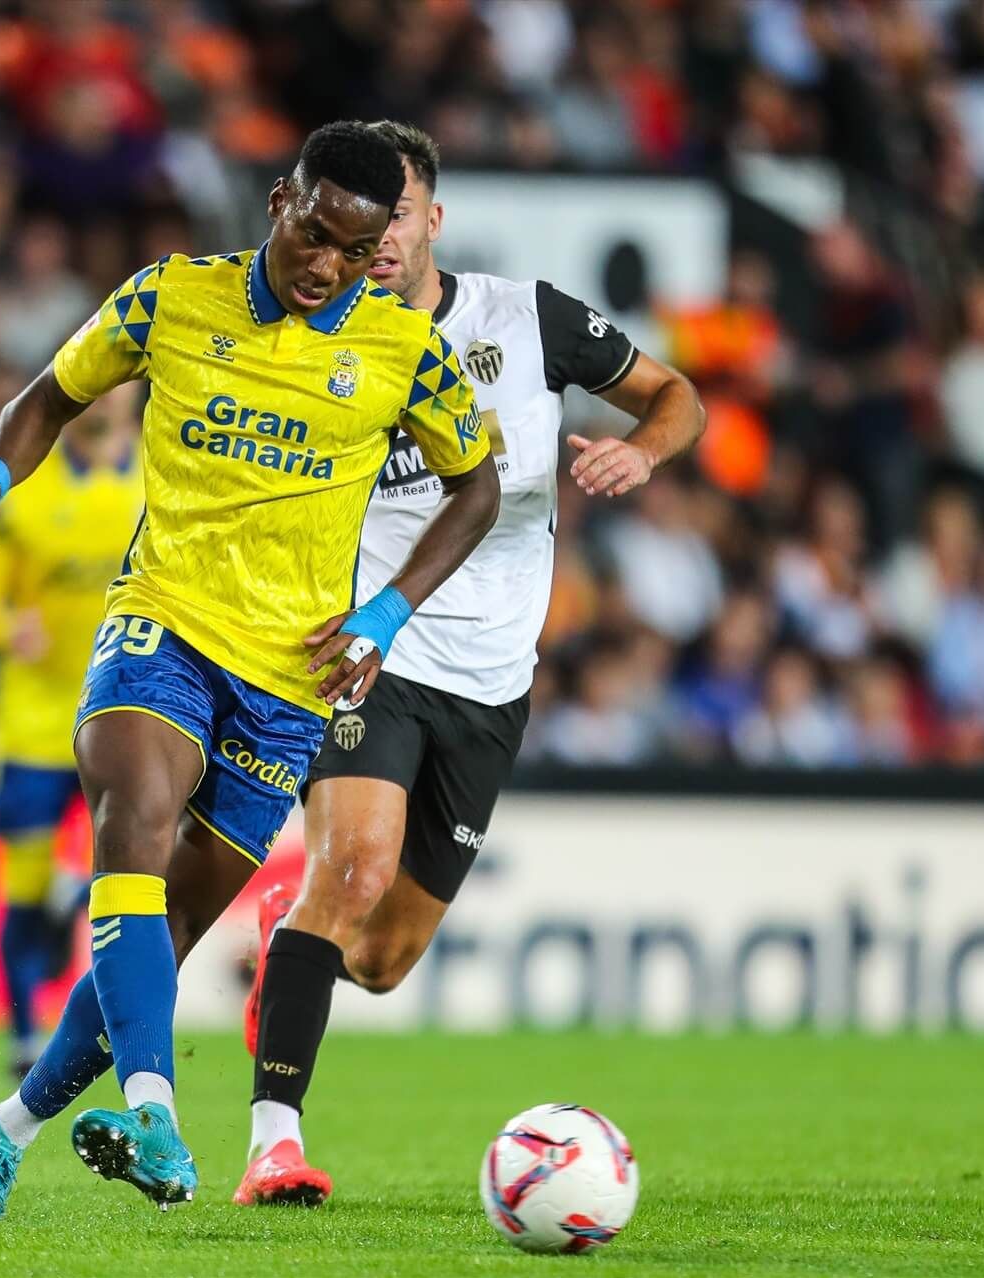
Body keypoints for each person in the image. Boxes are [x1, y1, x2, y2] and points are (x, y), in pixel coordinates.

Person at [0, 121, 498, 1219]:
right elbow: (48, 396)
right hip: (166, 619)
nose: (325, 263)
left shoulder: (404, 348)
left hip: (291, 676)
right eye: (313, 231)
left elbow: (479, 487)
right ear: (280, 200)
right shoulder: (173, 296)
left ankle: (4, 1131)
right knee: (131, 817)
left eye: (355, 250)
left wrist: (386, 611)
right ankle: (158, 1114)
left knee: (170, 928)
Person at [237, 122, 704, 1207]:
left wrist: (639, 449)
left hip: (495, 683)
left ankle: (288, 927)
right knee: (353, 872)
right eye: (363, 223)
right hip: (372, 650)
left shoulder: (528, 320)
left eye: (397, 216)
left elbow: (678, 395)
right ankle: (273, 1145)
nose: (379, 240)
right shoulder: (319, 339)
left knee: (382, 957)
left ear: (432, 220)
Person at [0, 388, 143, 1079]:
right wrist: (10, 628)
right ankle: (22, 1035)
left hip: (125, 716)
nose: (105, 394)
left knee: (130, 871)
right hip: (31, 726)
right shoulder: (22, 495)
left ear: (136, 389)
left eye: (120, 380)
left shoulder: (163, 477)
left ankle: (77, 902)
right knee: (22, 891)